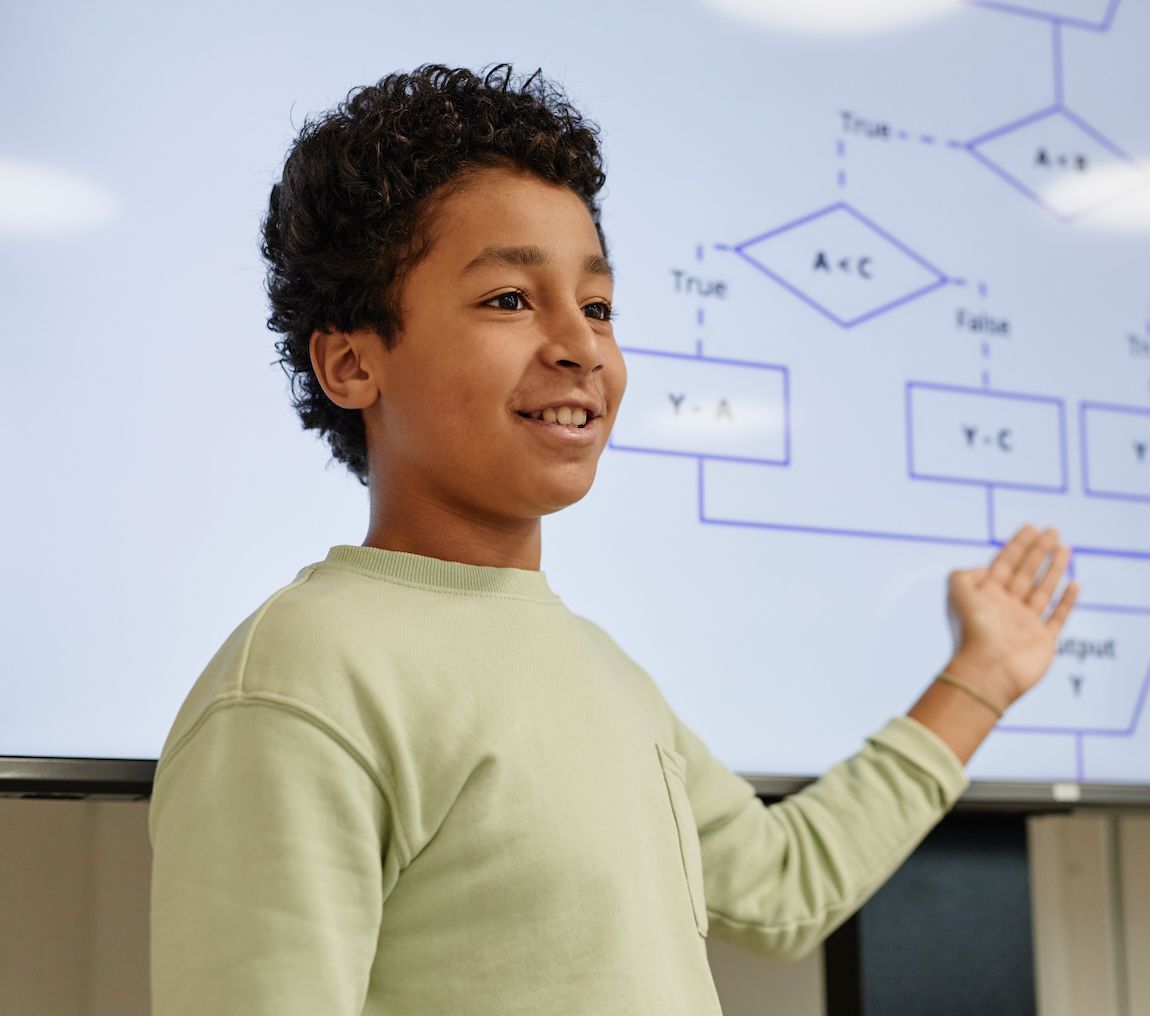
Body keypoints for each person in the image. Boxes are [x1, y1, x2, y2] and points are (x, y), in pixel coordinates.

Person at [147, 63, 1080, 1015]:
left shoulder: (603, 670)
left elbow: (786, 886)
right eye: (510, 299)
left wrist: (985, 677)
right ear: (352, 362)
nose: (581, 346)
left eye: (597, 307)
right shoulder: (301, 682)